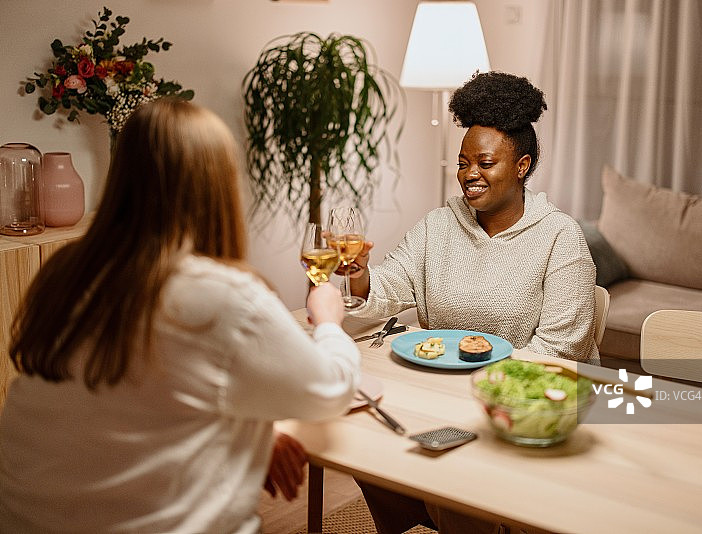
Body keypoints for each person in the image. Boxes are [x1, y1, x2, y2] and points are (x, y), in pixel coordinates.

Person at [0, 99, 360, 533]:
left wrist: (253, 436)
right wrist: (327, 320)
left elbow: (126, 412)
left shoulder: (65, 274)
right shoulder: (223, 297)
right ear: (218, 189)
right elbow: (330, 391)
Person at [347, 72, 598, 534]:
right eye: (463, 163)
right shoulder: (438, 226)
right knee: (364, 435)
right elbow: (389, 289)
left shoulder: (560, 237)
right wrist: (362, 279)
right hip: (440, 397)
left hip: (521, 410)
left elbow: (560, 351)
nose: (468, 175)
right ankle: (420, 513)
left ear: (522, 165)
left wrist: (477, 395)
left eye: (484, 162)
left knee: (453, 474)